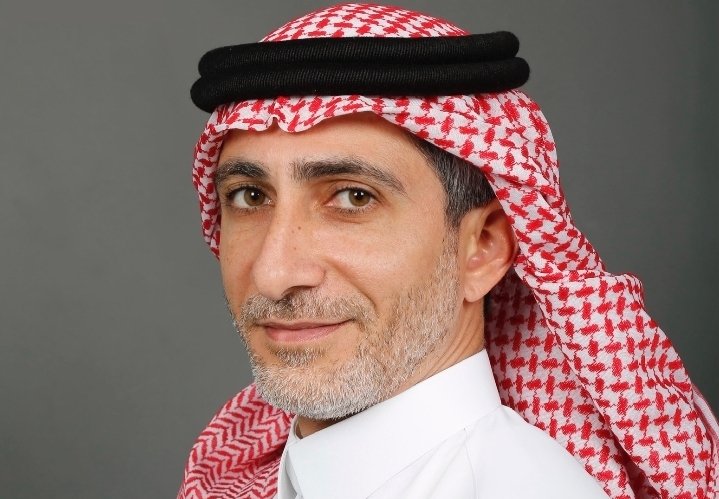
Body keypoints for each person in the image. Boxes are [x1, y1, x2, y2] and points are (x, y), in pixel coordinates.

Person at [178, 4, 719, 499]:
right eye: (249, 197)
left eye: (353, 197)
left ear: (482, 248)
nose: (273, 273)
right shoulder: (242, 478)